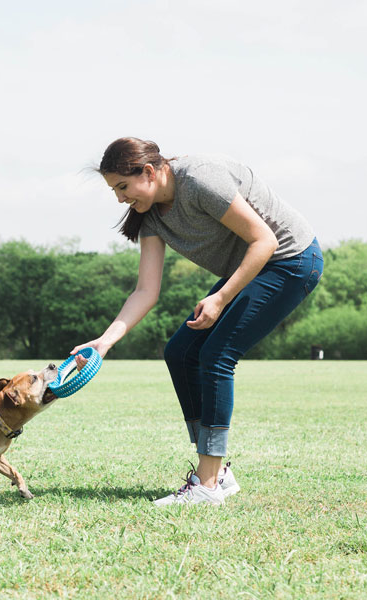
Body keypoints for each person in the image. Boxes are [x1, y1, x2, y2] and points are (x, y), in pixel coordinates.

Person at [71, 137, 323, 505]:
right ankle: (216, 473)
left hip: (290, 260)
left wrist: (221, 298)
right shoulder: (152, 215)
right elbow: (145, 290)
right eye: (114, 190)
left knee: (216, 355)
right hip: (252, 267)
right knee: (180, 352)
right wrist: (104, 341)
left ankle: (206, 486)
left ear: (149, 171)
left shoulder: (202, 180)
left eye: (123, 187)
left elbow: (264, 241)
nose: (120, 199)